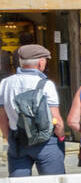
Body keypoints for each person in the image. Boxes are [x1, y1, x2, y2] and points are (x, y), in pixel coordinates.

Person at [0, 43, 66, 176]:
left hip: (18, 139)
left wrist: (10, 138)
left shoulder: (5, 83)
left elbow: (3, 119)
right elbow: (56, 120)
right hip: (46, 141)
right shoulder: (46, 85)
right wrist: (61, 137)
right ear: (40, 63)